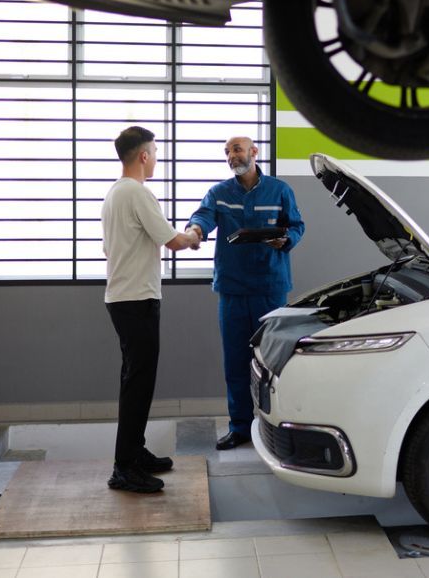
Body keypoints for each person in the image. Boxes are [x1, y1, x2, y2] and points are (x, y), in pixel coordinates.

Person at [186, 136, 304, 450]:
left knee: (274, 363)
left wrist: (286, 240)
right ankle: (239, 427)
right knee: (236, 362)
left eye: (236, 149)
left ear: (254, 152)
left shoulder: (279, 190)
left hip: (270, 288)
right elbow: (204, 217)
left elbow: (296, 226)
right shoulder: (219, 193)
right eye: (226, 151)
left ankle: (276, 426)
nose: (230, 156)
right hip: (233, 290)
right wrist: (195, 231)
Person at [102, 126, 200, 493]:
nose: (157, 157)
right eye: (155, 151)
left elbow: (108, 249)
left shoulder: (114, 194)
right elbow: (174, 241)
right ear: (143, 156)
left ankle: (134, 452)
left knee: (135, 381)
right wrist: (195, 234)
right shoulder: (138, 193)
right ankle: (124, 468)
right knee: (138, 385)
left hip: (122, 298)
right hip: (137, 300)